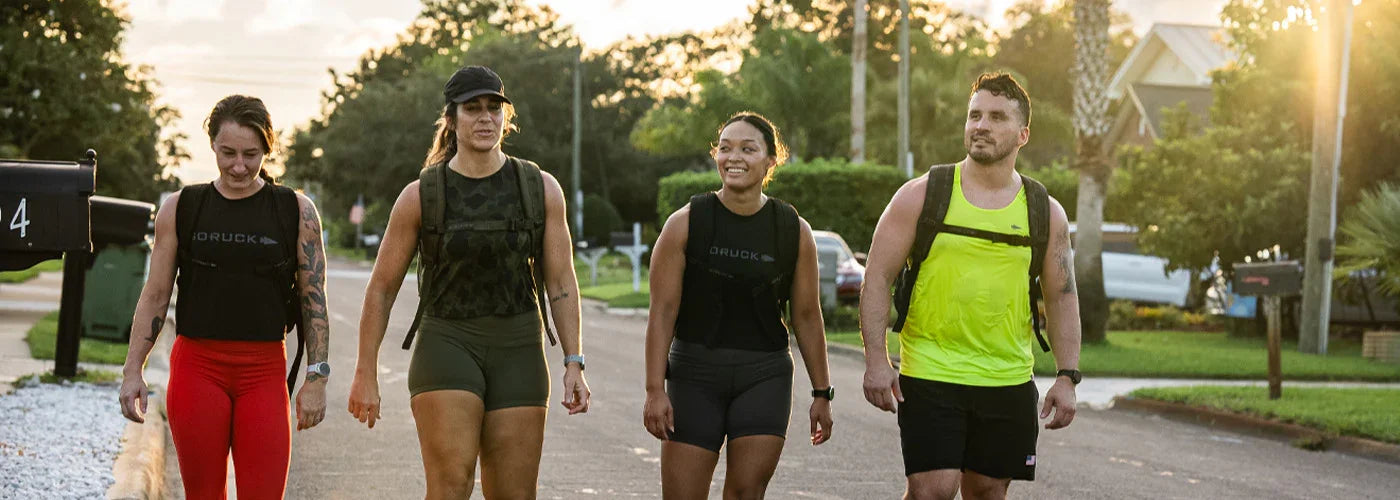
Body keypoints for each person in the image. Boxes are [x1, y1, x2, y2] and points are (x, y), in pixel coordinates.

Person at [346, 65, 591, 499]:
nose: (484, 117)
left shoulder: (539, 187)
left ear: (506, 117)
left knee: (514, 493)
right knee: (450, 485)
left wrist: (575, 360)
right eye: (472, 108)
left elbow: (561, 283)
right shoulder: (422, 194)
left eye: (494, 108)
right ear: (451, 119)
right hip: (447, 343)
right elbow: (382, 288)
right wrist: (366, 370)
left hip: (519, 346)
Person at [858, 73, 1082, 500]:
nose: (981, 125)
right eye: (974, 115)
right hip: (930, 370)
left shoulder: (1044, 212)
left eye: (997, 117)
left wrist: (1067, 377)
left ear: (1023, 134)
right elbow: (877, 278)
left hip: (1007, 378)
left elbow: (1062, 295)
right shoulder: (921, 195)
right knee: (931, 490)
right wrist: (876, 359)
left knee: (987, 491)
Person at [118, 94, 331, 499]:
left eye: (251, 154)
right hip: (198, 368)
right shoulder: (183, 207)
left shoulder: (295, 210)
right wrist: (133, 371)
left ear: (269, 148)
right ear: (212, 144)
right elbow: (157, 294)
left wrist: (316, 377)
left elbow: (313, 298)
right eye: (227, 152)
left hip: (263, 371)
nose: (239, 165)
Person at [642, 111, 835, 499]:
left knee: (747, 492)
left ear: (771, 160)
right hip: (695, 375)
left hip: (764, 376)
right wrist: (654, 390)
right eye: (726, 148)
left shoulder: (793, 231)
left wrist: (822, 393)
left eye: (749, 149)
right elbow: (662, 312)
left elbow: (807, 316)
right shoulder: (686, 223)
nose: (735, 157)